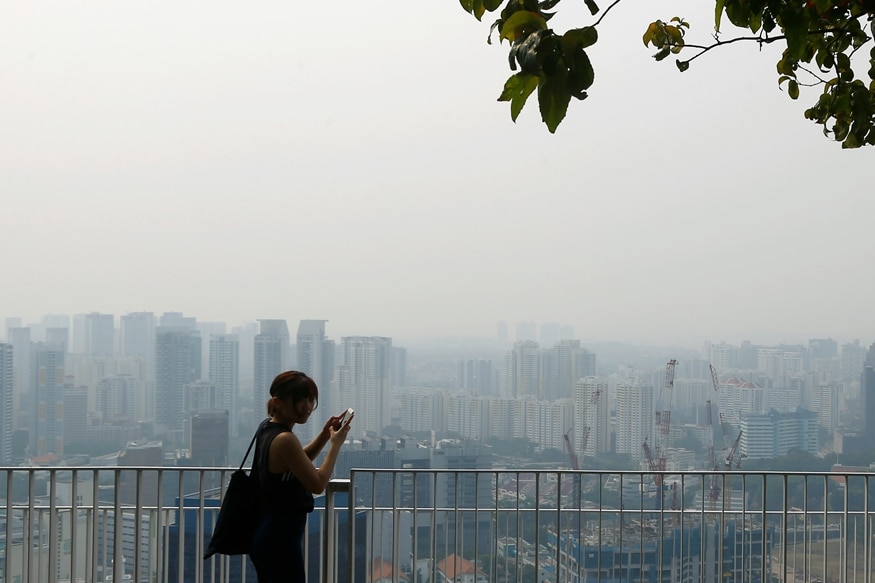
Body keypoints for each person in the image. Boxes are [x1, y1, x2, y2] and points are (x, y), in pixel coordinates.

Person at [248, 370, 353, 582]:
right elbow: (318, 484)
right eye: (299, 400)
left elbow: (297, 461)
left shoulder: (267, 428)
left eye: (310, 400)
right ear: (277, 402)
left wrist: (324, 436)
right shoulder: (285, 439)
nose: (307, 407)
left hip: (269, 533)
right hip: (279, 539)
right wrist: (335, 445)